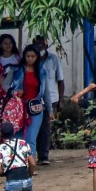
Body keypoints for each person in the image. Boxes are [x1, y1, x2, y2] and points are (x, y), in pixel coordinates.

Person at [7, 44, 52, 156]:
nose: (30, 59)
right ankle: (18, 164)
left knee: (31, 138)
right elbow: (5, 84)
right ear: (24, 56)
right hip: (19, 107)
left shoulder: (42, 71)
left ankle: (29, 165)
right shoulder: (16, 69)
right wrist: (13, 92)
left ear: (37, 57)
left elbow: (46, 92)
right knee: (18, 137)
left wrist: (50, 110)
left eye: (33, 56)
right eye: (28, 56)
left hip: (36, 108)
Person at [33, 35, 64, 165]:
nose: (40, 46)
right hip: (35, 99)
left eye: (42, 44)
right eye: (37, 44)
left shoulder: (54, 59)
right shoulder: (32, 60)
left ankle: (44, 156)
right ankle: (31, 155)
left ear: (46, 45)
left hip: (51, 98)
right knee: (35, 127)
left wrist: (61, 100)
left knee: (46, 128)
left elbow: (60, 80)